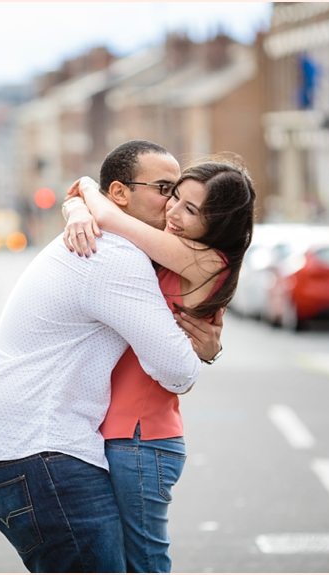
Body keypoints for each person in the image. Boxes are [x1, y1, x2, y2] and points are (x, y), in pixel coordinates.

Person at [0, 140, 223, 573]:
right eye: (163, 188)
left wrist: (81, 203)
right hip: (39, 451)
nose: (173, 204)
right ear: (118, 194)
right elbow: (177, 372)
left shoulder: (108, 242)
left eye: (178, 192)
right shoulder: (112, 257)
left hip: (20, 450)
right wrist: (204, 349)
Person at [61, 157, 256, 572]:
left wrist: (83, 190)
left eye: (191, 209)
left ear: (218, 225)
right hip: (117, 435)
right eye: (174, 197)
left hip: (142, 439)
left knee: (145, 562)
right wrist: (76, 207)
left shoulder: (206, 262)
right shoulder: (167, 252)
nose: (173, 212)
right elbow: (105, 217)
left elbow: (113, 220)